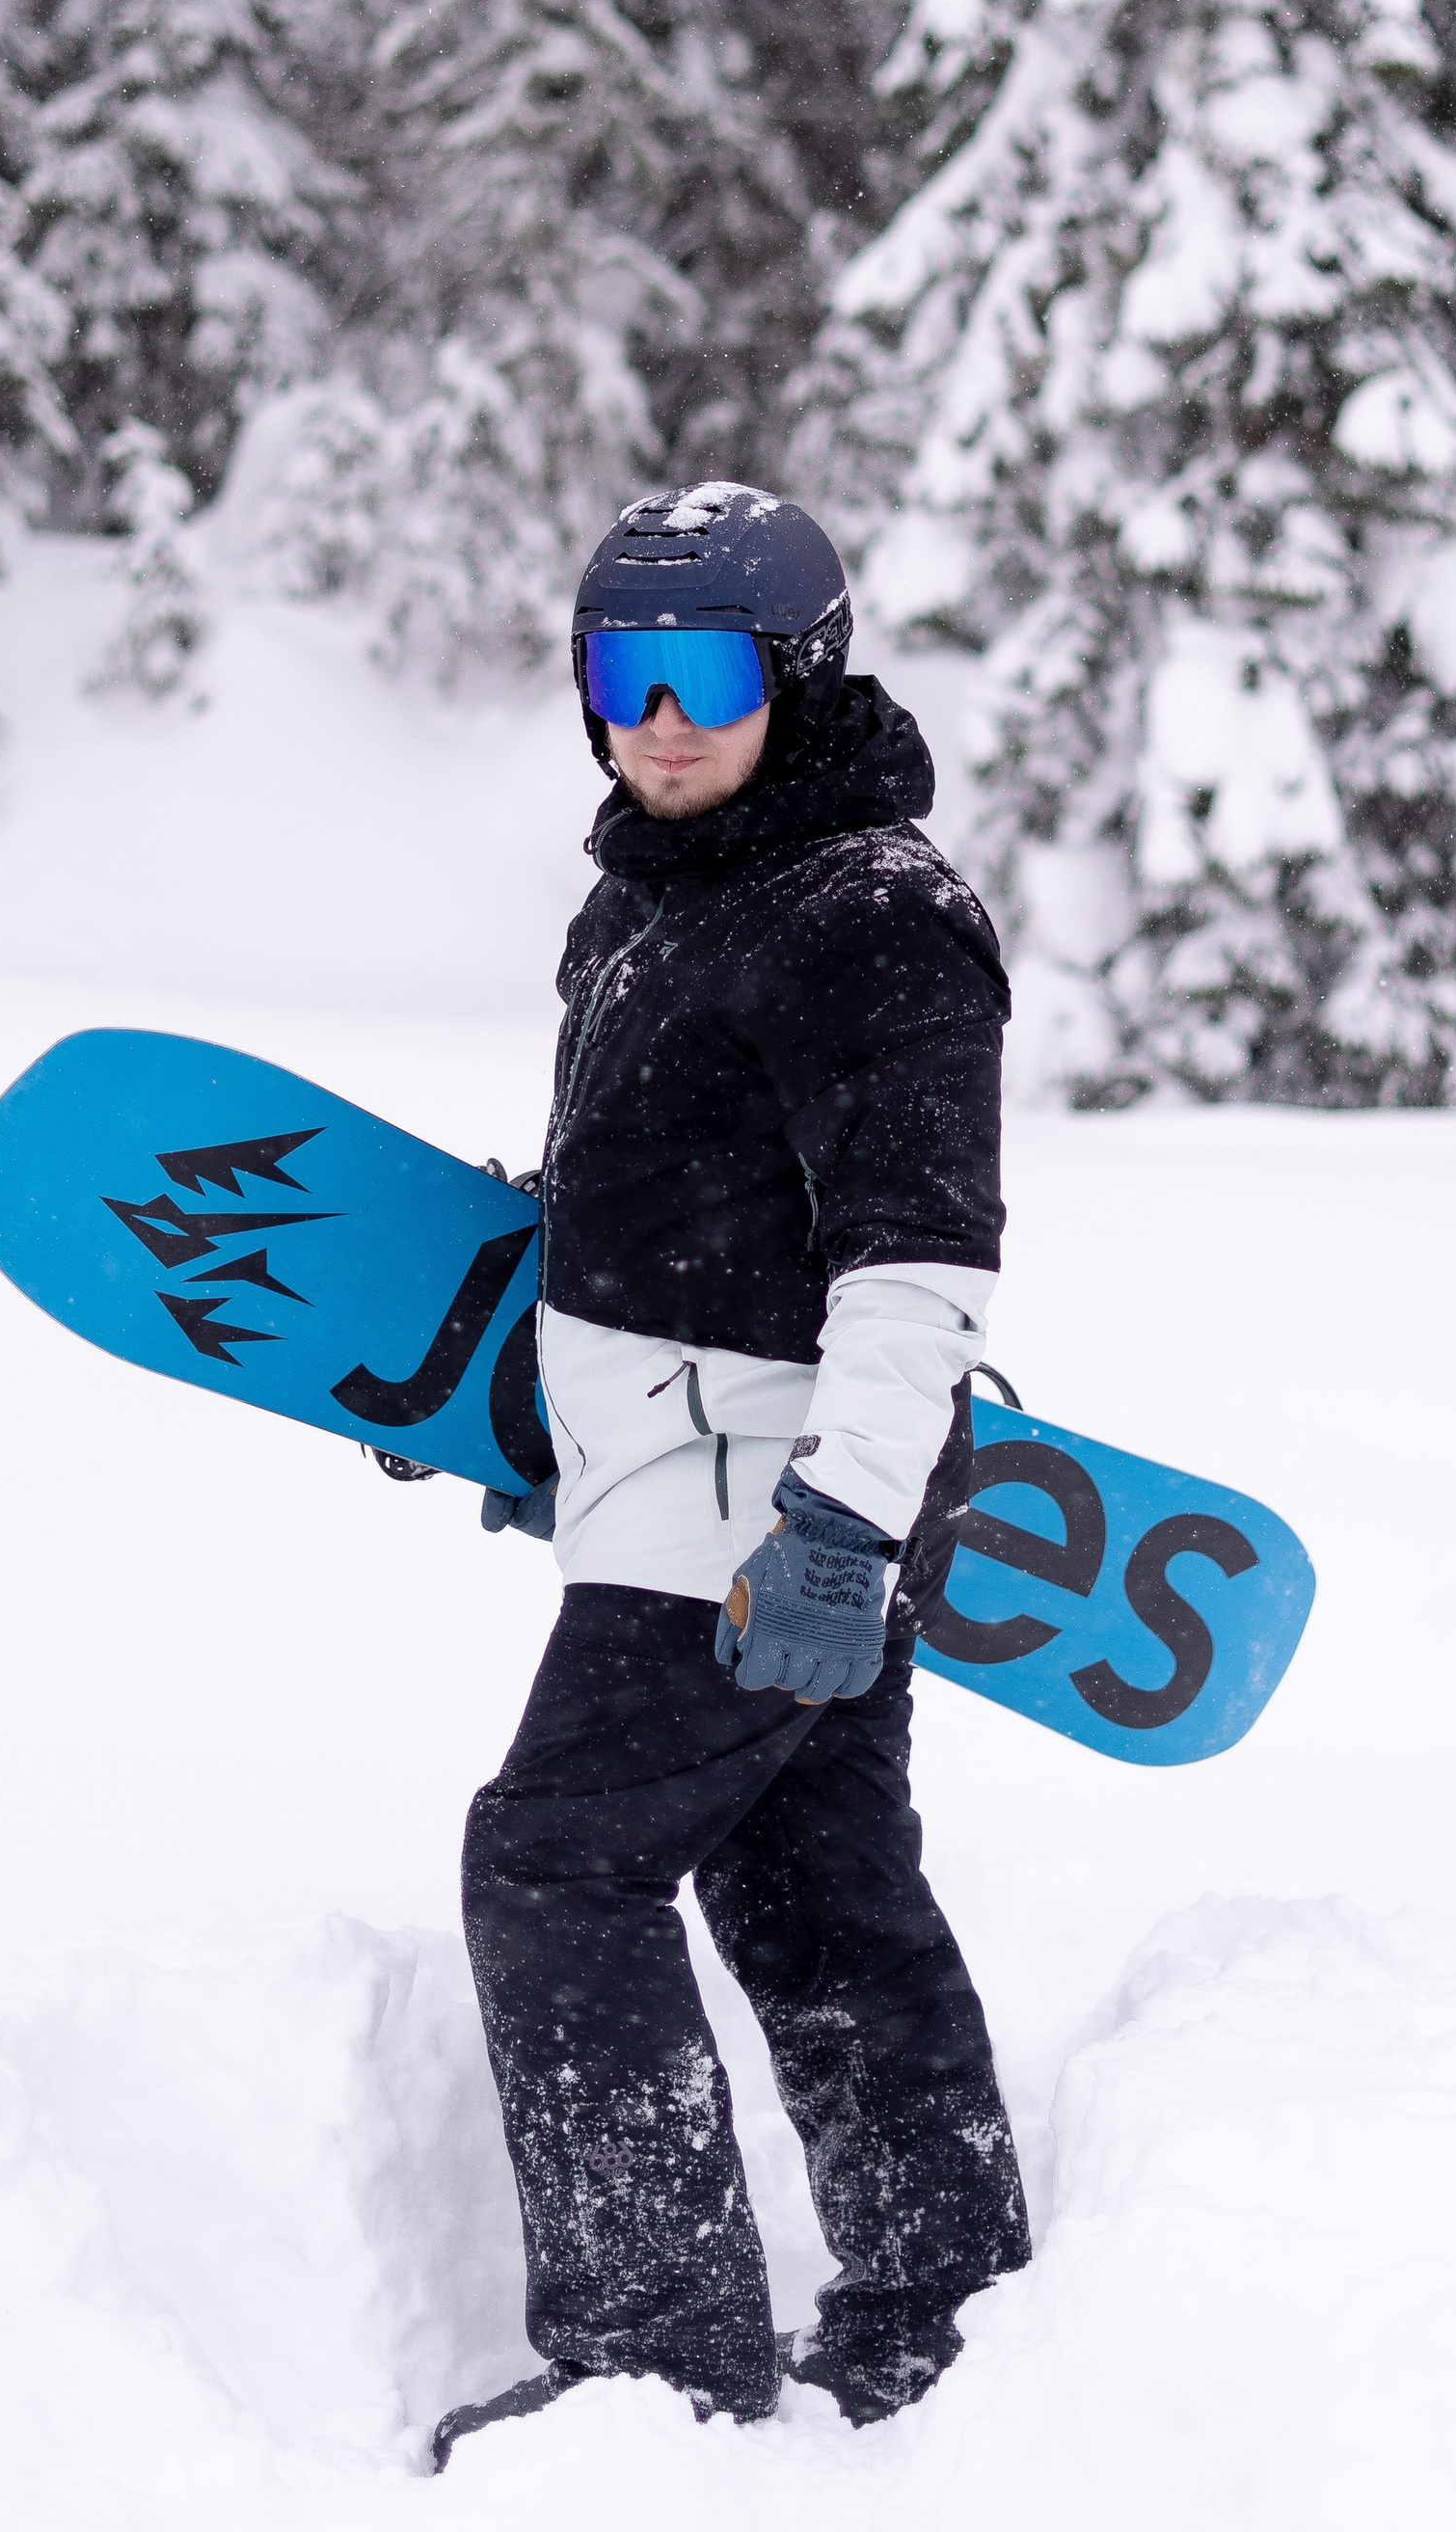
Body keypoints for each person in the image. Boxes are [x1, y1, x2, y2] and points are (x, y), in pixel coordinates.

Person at [433, 481, 1031, 2468]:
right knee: (816, 1889)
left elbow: (913, 1256)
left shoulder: (873, 915)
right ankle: (945, 2314)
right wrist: (527, 1421)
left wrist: (844, 1524)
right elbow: (656, 1216)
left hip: (765, 1515)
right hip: (677, 1486)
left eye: (697, 677)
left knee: (554, 1864)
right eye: (618, 675)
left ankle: (649, 2351)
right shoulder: (651, 895)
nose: (654, 721)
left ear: (794, 673)